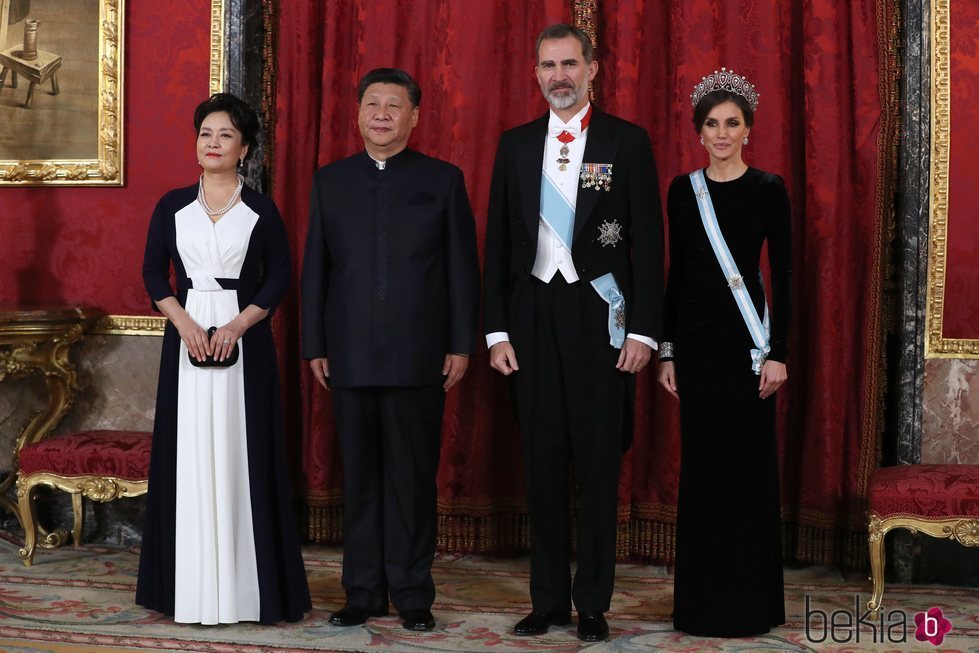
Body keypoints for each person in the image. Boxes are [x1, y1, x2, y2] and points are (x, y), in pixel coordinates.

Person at [482, 24, 663, 643]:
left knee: (596, 465)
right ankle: (549, 600)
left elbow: (651, 247)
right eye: (547, 65)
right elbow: (499, 247)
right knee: (542, 465)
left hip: (601, 318)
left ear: (593, 69)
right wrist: (495, 331)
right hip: (531, 318)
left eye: (569, 63)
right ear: (535, 73)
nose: (558, 74)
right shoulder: (513, 145)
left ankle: (592, 602)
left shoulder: (628, 142)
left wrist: (645, 332)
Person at [300, 68, 480, 632]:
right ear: (357, 114)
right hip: (347, 354)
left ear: (413, 117)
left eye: (393, 106)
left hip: (419, 355)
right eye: (372, 104)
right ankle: (363, 591)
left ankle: (411, 592)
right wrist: (315, 344)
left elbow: (461, 271)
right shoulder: (331, 181)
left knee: (410, 479)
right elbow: (317, 272)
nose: (381, 114)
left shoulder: (443, 180)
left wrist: (460, 344)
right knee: (360, 478)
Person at [137, 93, 311, 624]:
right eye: (205, 134)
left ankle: (248, 591)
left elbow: (280, 275)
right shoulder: (171, 205)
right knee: (186, 452)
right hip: (186, 339)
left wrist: (237, 325)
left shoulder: (260, 209)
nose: (212, 143)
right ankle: (184, 589)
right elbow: (152, 275)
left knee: (245, 453)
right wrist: (186, 324)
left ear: (246, 148)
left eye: (225, 135)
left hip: (246, 339)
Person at [657, 68, 790, 637]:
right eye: (711, 124)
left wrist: (778, 352)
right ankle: (700, 607)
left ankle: (751, 608)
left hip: (748, 351)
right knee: (704, 476)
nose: (721, 133)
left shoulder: (768, 189)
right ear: (698, 131)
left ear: (748, 129)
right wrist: (666, 350)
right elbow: (678, 274)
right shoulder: (682, 191)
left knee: (748, 476)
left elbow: (784, 276)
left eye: (732, 123)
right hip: (697, 351)